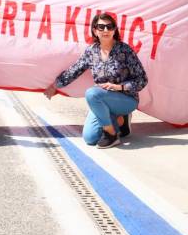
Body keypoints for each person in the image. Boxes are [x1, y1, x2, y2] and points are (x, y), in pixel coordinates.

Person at [44, 13, 148, 148]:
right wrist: (55, 85)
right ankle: (121, 122)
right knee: (90, 138)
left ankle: (111, 134)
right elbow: (75, 70)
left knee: (92, 94)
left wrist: (119, 87)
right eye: (101, 27)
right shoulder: (91, 51)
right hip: (101, 99)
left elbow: (142, 79)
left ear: (114, 30)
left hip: (126, 99)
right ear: (95, 30)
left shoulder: (124, 50)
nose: (105, 30)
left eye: (109, 27)